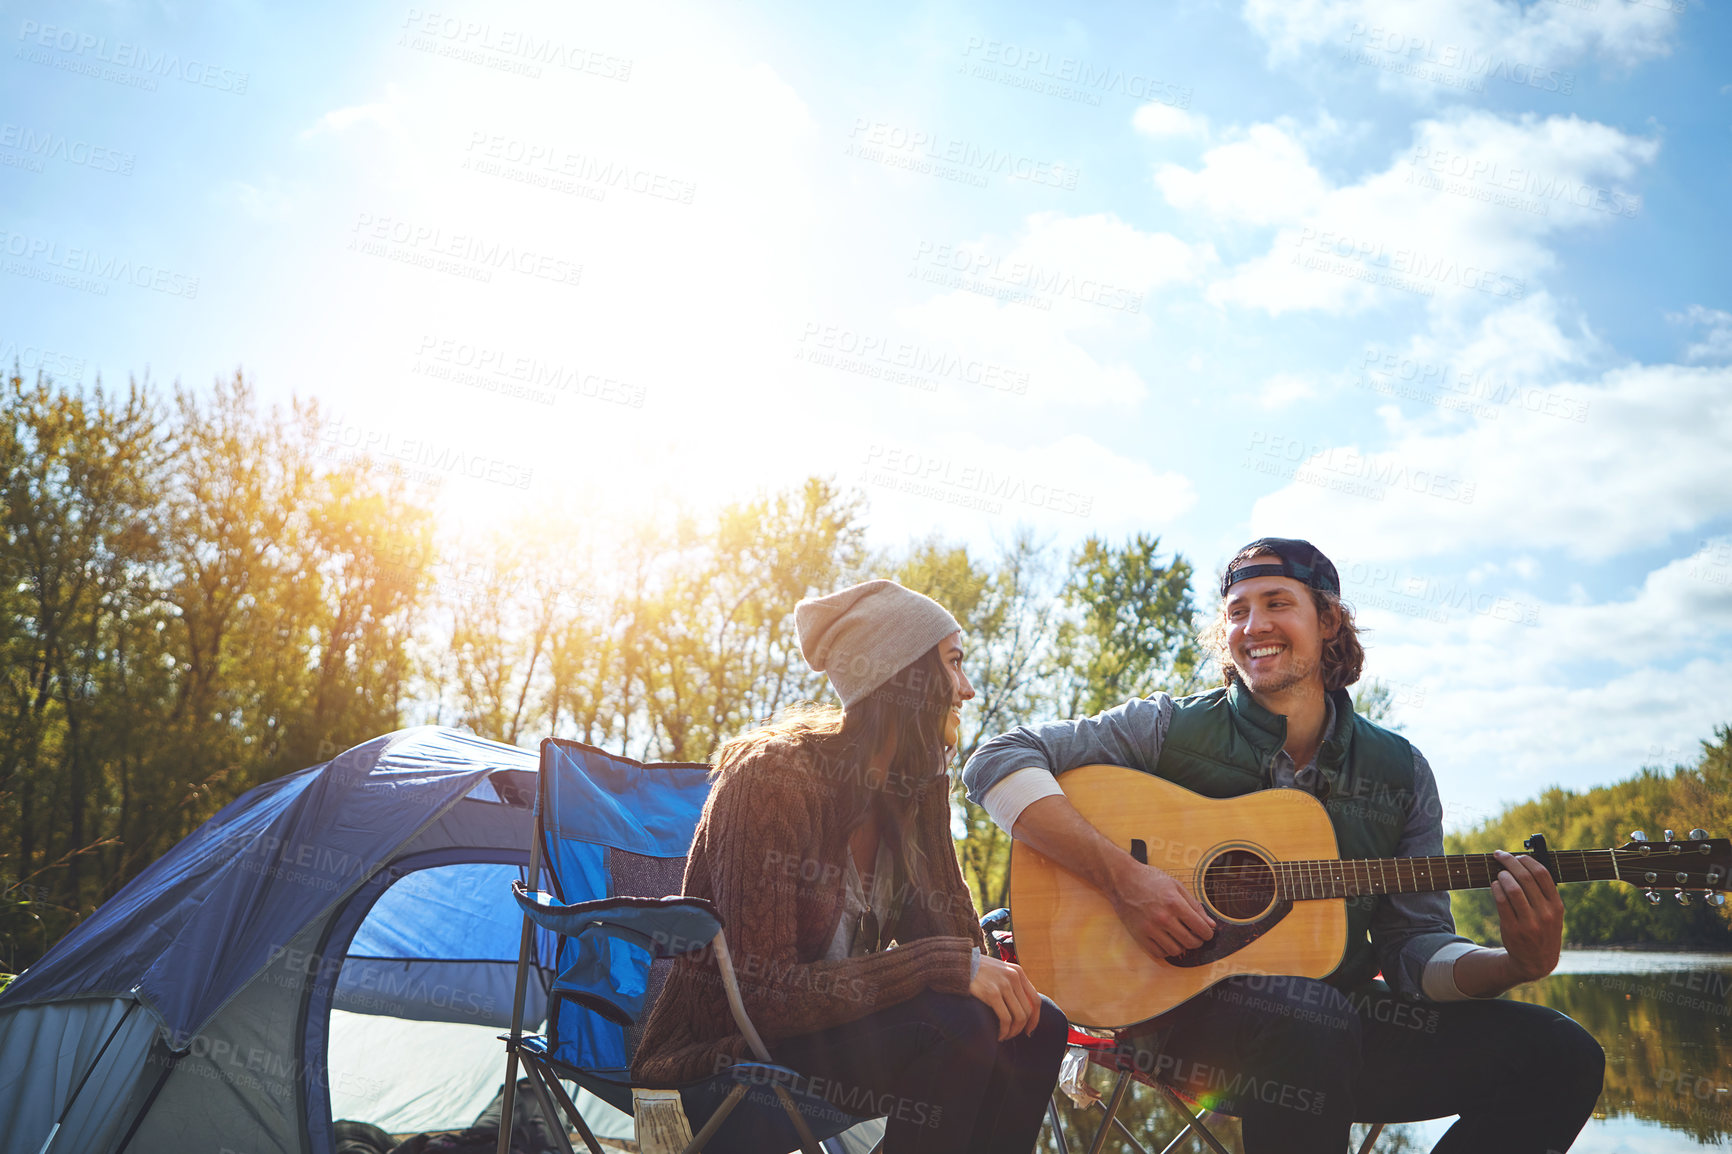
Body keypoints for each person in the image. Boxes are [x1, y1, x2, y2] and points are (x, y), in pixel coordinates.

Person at [963, 538, 1606, 1154]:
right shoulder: (1169, 728)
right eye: (1237, 612)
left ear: (1328, 621)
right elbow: (996, 759)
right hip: (1172, 1018)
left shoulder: (1400, 771)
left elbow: (1416, 951)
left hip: (1342, 1026)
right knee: (1313, 1018)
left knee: (1562, 1055)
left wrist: (1512, 965)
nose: (1253, 626)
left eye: (1276, 603)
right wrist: (1124, 882)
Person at [634, 578, 1069, 1153]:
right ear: (904, 679)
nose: (965, 690)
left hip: (824, 1046)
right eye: (954, 664)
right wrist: (942, 963)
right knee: (957, 1025)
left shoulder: (910, 793)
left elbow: (961, 954)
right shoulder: (774, 779)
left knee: (1036, 1025)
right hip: (725, 1061)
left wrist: (929, 800)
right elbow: (765, 999)